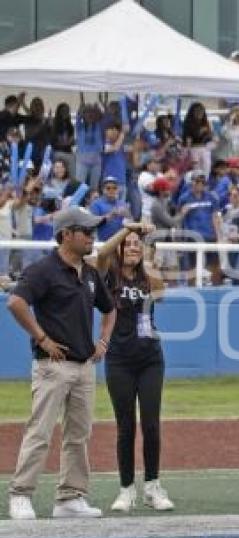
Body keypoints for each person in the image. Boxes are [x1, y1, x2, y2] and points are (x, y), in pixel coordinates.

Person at [6, 207, 116, 520]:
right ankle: (20, 494)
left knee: (78, 435)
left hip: (84, 367)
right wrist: (42, 339)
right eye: (86, 231)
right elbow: (15, 302)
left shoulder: (90, 272)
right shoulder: (42, 270)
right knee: (40, 432)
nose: (92, 237)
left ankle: (70, 497)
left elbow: (110, 309)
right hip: (52, 366)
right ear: (66, 234)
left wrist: (104, 341)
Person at [93, 222, 173, 512]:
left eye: (138, 245)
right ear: (120, 248)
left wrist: (146, 254)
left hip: (150, 358)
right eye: (128, 245)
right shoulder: (108, 274)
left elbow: (161, 294)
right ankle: (126, 489)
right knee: (125, 427)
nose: (133, 249)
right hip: (119, 360)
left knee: (151, 425)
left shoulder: (150, 276)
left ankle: (153, 486)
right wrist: (128, 230)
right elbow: (102, 253)